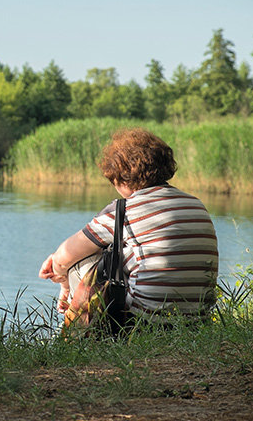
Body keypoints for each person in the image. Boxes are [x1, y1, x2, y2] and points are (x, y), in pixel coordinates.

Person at [38, 127, 218, 325]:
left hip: (146, 323)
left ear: (121, 177)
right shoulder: (195, 203)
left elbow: (64, 258)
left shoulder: (123, 210)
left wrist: (63, 282)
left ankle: (82, 338)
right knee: (118, 251)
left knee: (86, 260)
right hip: (198, 321)